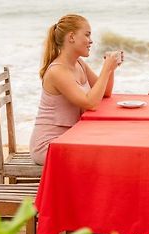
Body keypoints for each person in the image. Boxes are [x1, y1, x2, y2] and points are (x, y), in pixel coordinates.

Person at [29, 14, 122, 165]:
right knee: (103, 156)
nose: (91, 41)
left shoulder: (79, 63)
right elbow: (90, 103)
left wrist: (110, 69)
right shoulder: (57, 71)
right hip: (48, 145)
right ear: (71, 37)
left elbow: (104, 93)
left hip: (70, 138)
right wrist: (106, 69)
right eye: (87, 34)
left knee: (111, 146)